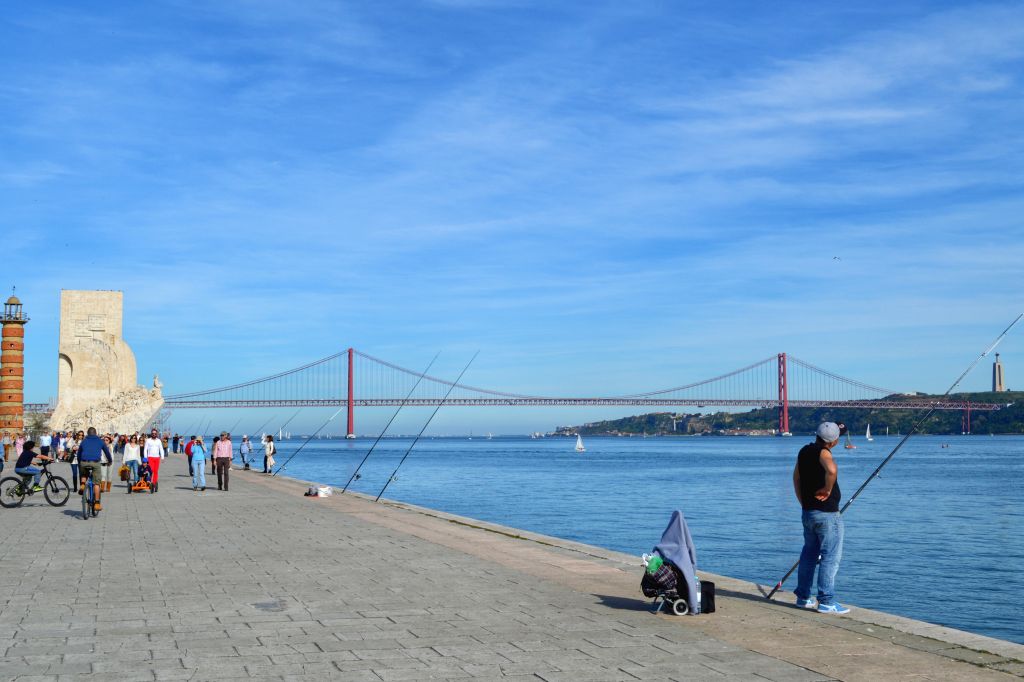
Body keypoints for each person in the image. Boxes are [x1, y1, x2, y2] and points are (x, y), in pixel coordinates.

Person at [793, 421, 851, 615]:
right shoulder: (824, 452)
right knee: (830, 557)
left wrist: (803, 502)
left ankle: (803, 598)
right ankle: (826, 601)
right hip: (827, 514)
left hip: (808, 512)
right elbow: (832, 470)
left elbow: (796, 478)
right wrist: (827, 489)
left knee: (809, 555)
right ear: (833, 442)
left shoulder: (803, 451)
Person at [78, 427, 112, 512]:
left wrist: (80, 462)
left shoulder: (84, 441)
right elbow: (107, 452)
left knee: (84, 474)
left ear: (87, 433)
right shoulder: (100, 441)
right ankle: (97, 503)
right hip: (95, 463)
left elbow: (79, 453)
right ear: (96, 433)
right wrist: (110, 460)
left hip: (84, 462)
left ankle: (82, 485)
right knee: (96, 483)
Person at [143, 428, 165, 493]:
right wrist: (145, 458)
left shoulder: (159, 441)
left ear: (156, 434)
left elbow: (161, 449)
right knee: (151, 470)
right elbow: (145, 449)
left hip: (157, 458)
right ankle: (149, 481)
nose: (154, 434)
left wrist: (162, 457)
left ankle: (154, 483)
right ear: (151, 434)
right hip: (150, 457)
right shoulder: (148, 440)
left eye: (155, 433)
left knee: (156, 471)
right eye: (153, 433)